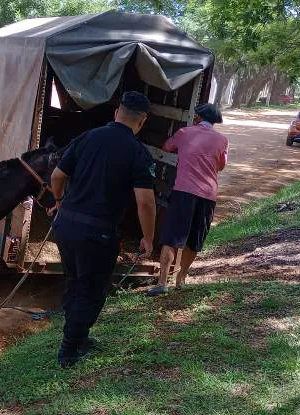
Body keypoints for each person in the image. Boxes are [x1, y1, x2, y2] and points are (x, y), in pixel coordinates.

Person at [49, 91, 157, 368]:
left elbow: (57, 176)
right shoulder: (137, 152)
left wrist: (59, 201)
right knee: (92, 290)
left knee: (74, 282)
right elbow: (145, 202)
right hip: (97, 233)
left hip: (65, 225)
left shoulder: (87, 138)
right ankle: (69, 351)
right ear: (142, 121)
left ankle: (79, 337)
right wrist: (148, 237)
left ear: (116, 112)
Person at [147, 103, 228, 296]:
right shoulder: (222, 140)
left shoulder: (184, 133)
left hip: (184, 192)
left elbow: (167, 146)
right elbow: (222, 166)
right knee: (195, 239)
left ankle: (162, 282)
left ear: (198, 117)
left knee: (172, 237)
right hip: (208, 196)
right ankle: (181, 279)